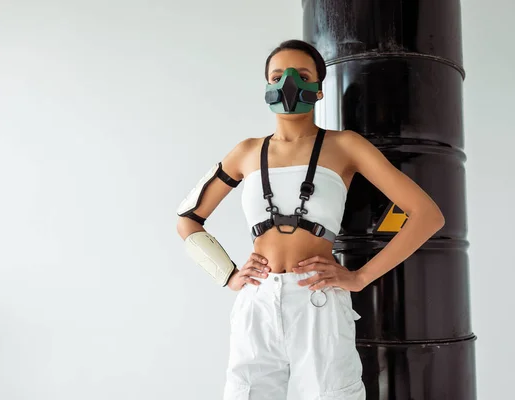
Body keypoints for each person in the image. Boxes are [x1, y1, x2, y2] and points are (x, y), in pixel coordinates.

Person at [175, 39, 445, 400]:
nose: (288, 83)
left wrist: (360, 277)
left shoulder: (346, 146)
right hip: (258, 301)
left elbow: (427, 215)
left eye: (301, 75)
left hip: (317, 298)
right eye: (277, 75)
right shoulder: (246, 152)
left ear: (318, 90)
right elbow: (188, 220)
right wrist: (228, 274)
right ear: (267, 87)